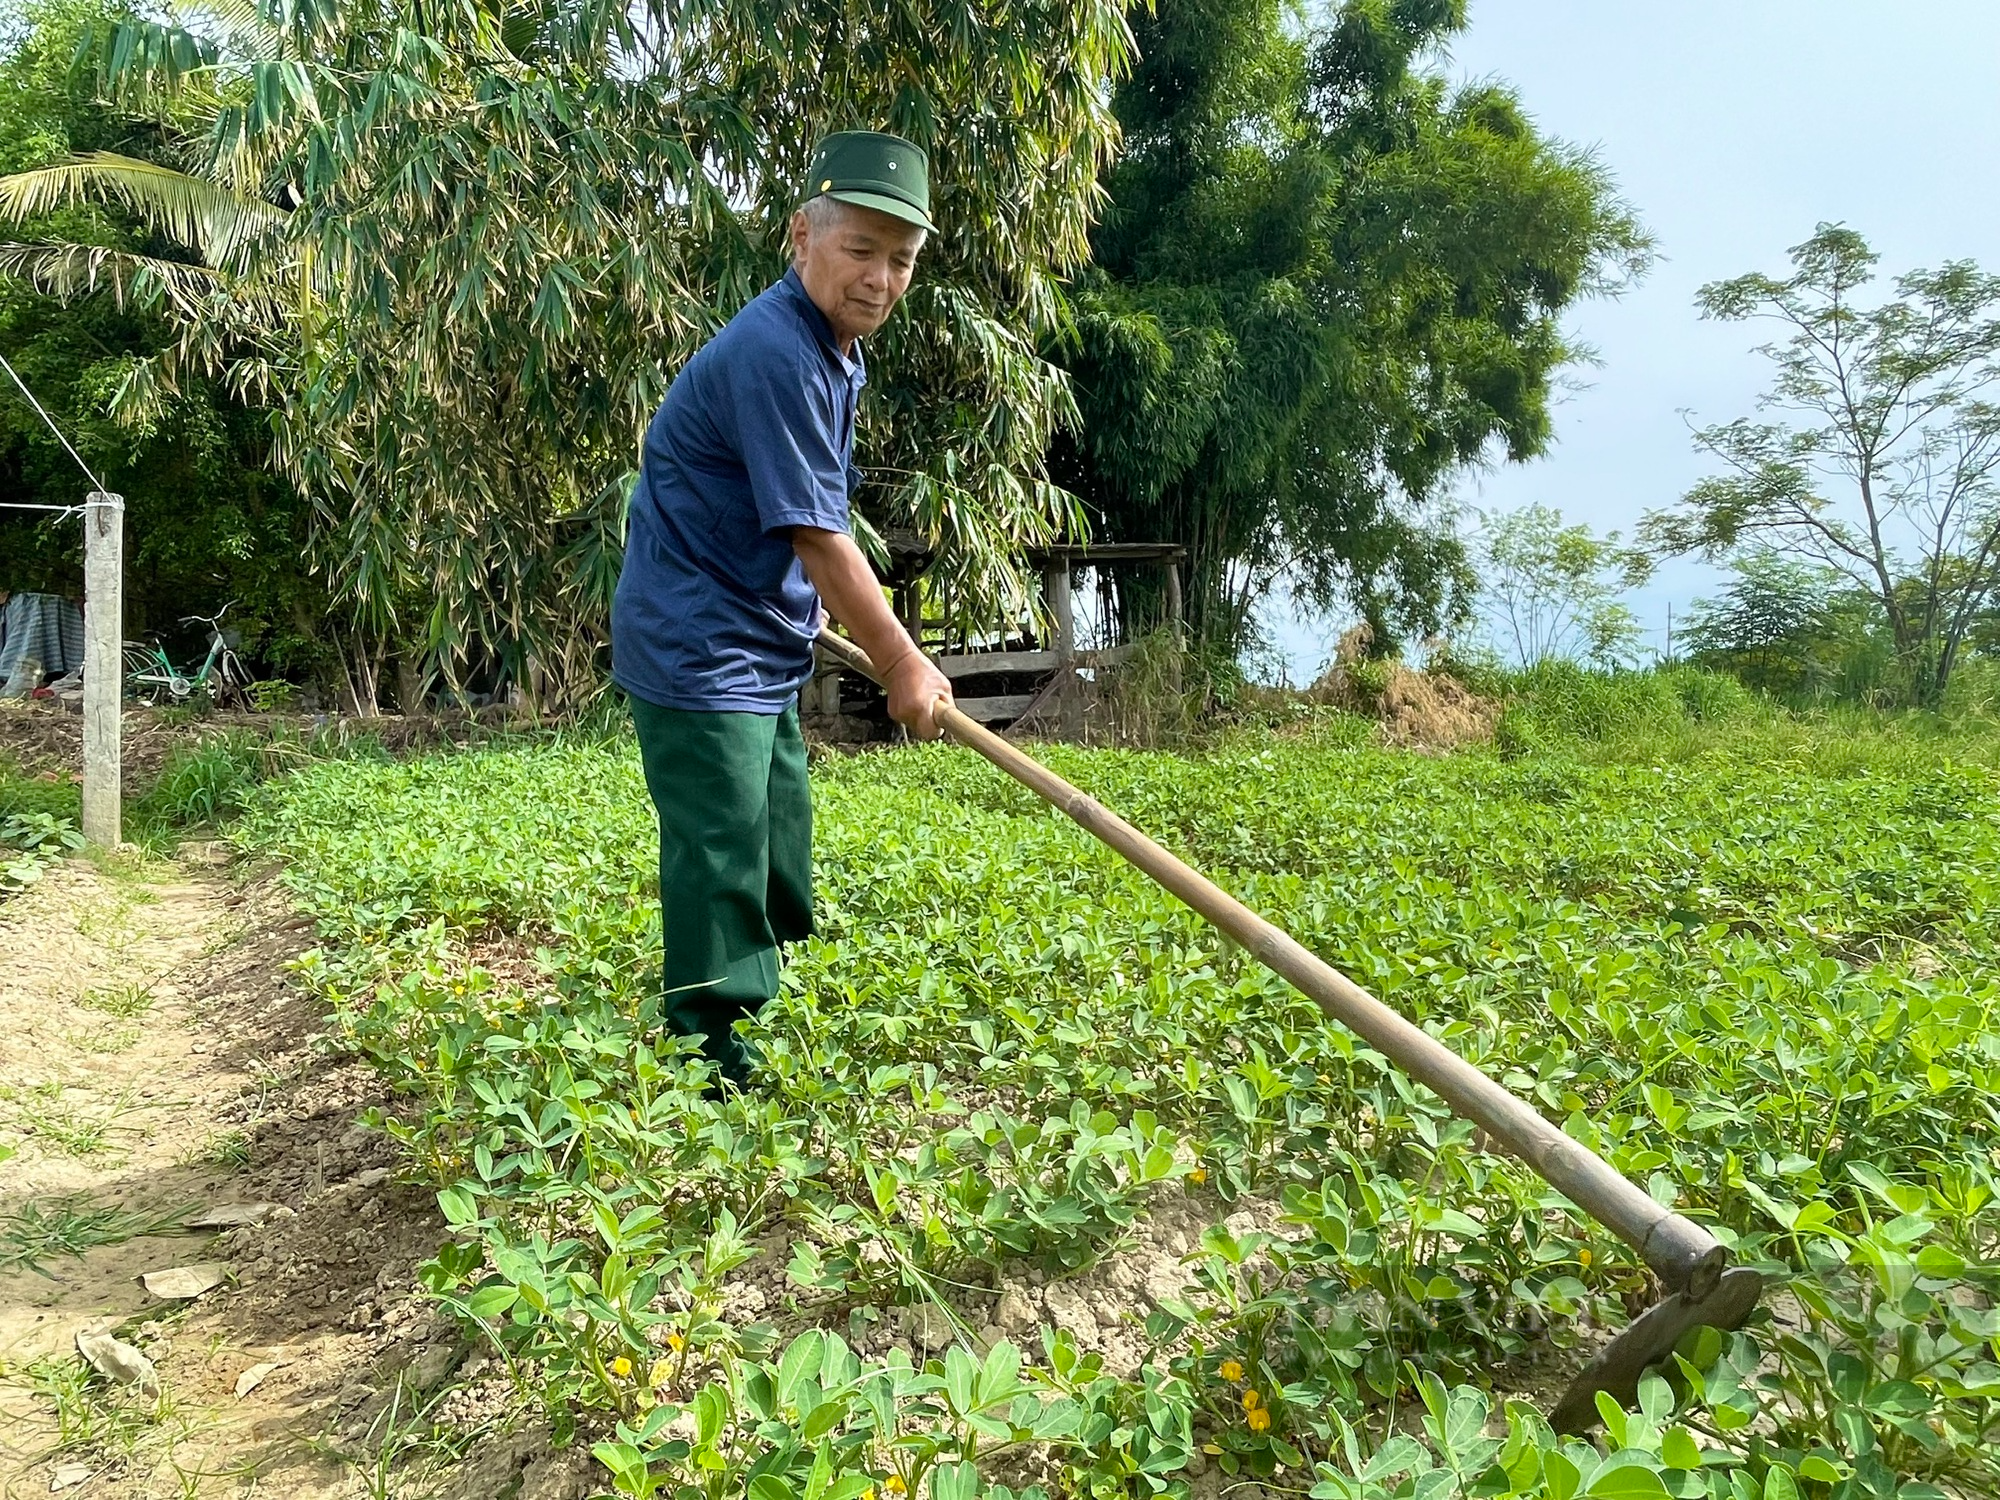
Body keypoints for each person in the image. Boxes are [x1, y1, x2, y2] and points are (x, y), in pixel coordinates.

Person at [611, 130, 954, 1088]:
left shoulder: (834, 351)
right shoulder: (774, 351)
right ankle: (710, 1047)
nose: (881, 280)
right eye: (861, 251)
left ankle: (769, 987)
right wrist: (899, 660)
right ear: (802, 236)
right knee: (721, 839)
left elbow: (805, 518)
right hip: (694, 636)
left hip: (758, 636)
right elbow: (816, 533)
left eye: (902, 261)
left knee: (779, 832)